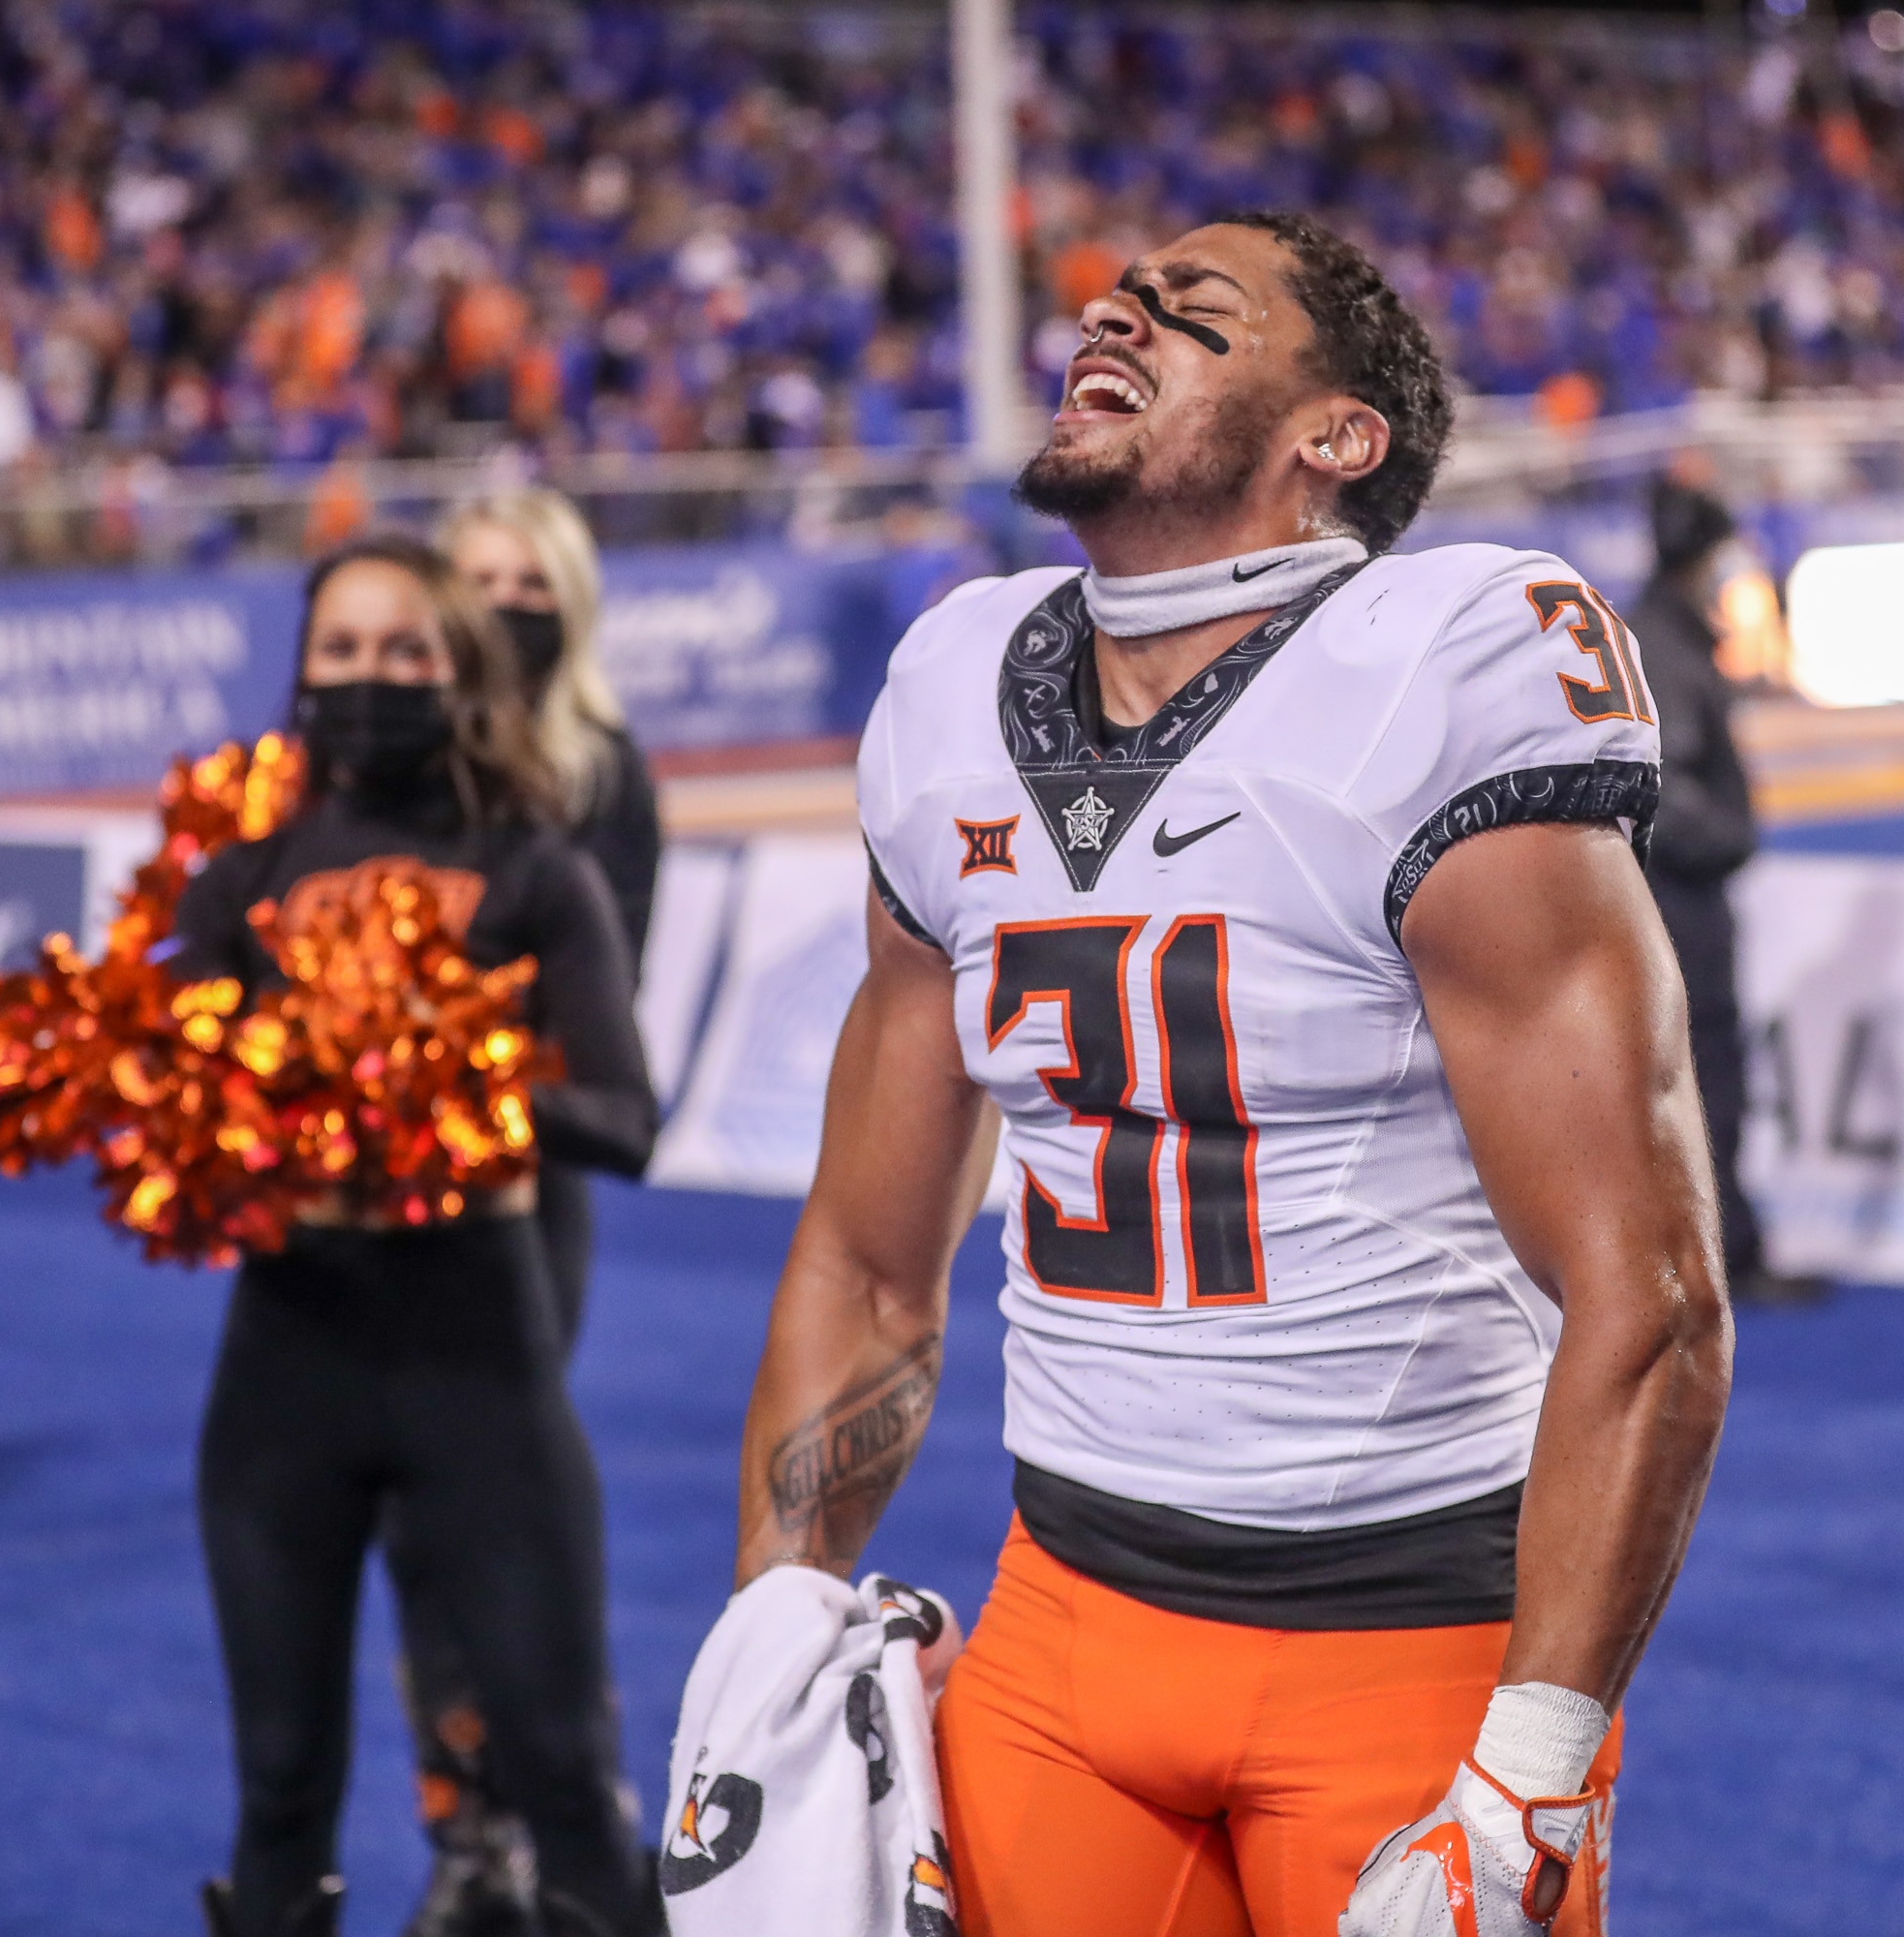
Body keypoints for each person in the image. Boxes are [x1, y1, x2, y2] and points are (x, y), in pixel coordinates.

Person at [709, 212, 1731, 1937]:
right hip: (1063, 1624)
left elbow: (1653, 1292)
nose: (1116, 315)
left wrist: (1530, 1772)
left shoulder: (1437, 667)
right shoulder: (955, 685)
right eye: (1117, 299)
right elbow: (870, 1256)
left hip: (1403, 1644)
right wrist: (776, 1629)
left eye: (1194, 315)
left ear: (1336, 436)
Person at [173, 534, 664, 1937]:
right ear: (302, 672)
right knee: (276, 1789)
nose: (372, 678)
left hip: (481, 1366)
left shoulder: (534, 868)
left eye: (406, 652)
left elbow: (625, 1118)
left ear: (457, 672)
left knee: (567, 1775)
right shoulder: (239, 878)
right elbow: (177, 1133)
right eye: (342, 652)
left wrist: (447, 1075)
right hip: (286, 1375)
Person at [384, 491, 664, 1933]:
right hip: (378, 1198)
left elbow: (594, 1028)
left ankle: (574, 1827)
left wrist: (425, 1049)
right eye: (473, 579)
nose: (500, 602)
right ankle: (462, 1834)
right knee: (412, 1525)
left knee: (511, 1511)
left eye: (523, 579)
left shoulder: (603, 776)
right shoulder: (396, 770)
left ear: (566, 599)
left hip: (523, 1195)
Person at [1629, 477, 1819, 1312]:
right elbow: (1664, 793)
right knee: (1705, 1082)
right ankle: (1718, 1253)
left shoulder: (1647, 636)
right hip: (1680, 903)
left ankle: (1687, 1255)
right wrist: (1729, 840)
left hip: (1655, 897)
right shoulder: (1668, 651)